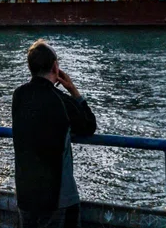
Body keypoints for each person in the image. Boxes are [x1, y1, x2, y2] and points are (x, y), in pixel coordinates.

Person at [12, 39, 97, 228]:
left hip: (25, 196)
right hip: (57, 200)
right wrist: (73, 90)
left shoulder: (18, 96)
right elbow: (89, 125)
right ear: (56, 67)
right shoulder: (62, 101)